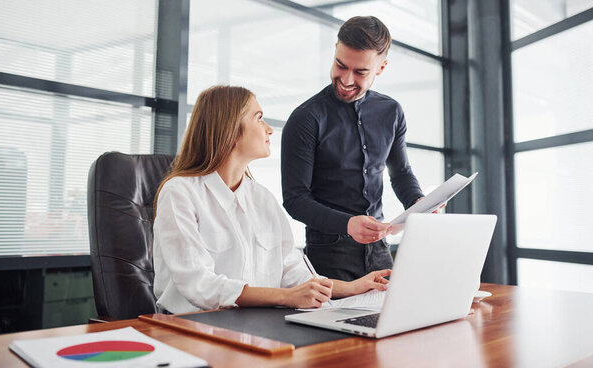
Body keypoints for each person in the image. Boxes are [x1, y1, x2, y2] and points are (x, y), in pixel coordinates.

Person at [152, 85, 391, 314]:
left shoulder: (262, 198)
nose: (268, 128)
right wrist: (286, 297)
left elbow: (294, 273)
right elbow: (200, 285)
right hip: (190, 326)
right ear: (230, 128)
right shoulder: (179, 193)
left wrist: (352, 288)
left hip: (255, 324)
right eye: (258, 118)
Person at [282, 16, 433, 281]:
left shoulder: (392, 112)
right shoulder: (306, 118)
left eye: (361, 72)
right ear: (335, 51)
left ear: (381, 68)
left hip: (380, 251)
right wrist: (347, 224)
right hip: (328, 255)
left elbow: (401, 174)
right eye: (340, 65)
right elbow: (295, 200)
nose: (346, 79)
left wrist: (418, 203)